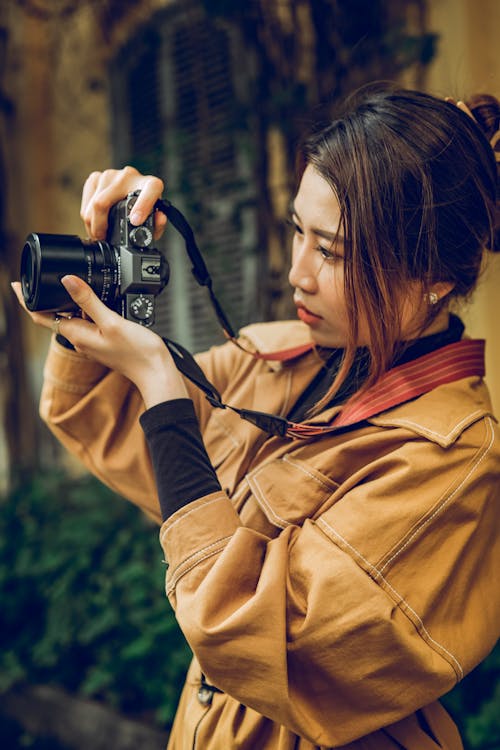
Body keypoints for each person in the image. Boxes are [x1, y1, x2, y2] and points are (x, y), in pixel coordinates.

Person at [12, 85, 500, 749]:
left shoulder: (453, 465)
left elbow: (269, 638)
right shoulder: (279, 356)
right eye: (298, 231)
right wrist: (98, 304)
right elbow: (105, 421)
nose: (297, 272)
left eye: (331, 250)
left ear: (432, 279)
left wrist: (164, 383)